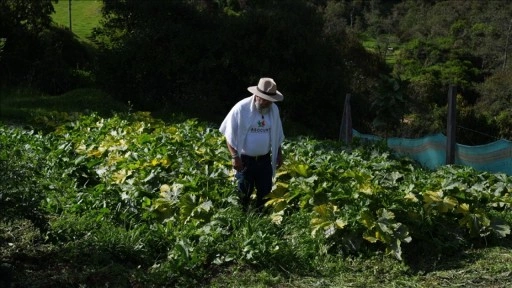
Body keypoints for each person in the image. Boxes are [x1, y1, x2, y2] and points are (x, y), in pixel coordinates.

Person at [219, 77, 285, 211]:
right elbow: (229, 135)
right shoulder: (241, 108)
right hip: (245, 160)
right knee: (243, 193)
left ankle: (260, 218)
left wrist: (279, 153)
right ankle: (241, 219)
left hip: (264, 160)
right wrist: (235, 157)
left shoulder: (274, 110)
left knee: (266, 193)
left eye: (270, 100)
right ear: (257, 95)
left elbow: (277, 133)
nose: (267, 102)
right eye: (264, 99)